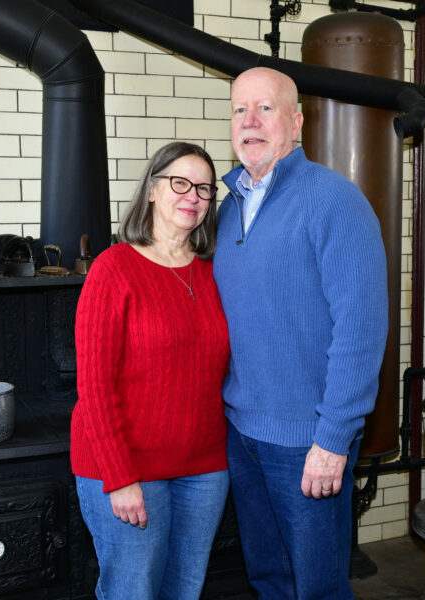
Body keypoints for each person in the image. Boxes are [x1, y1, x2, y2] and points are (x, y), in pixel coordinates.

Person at [213, 67, 388, 599]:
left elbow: (360, 330)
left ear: (297, 122)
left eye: (265, 108)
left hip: (306, 441)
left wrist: (334, 439)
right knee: (268, 578)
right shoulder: (227, 206)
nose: (251, 121)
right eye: (240, 110)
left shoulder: (334, 200)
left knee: (318, 588)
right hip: (242, 434)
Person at [71, 142, 230, 600]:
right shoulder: (113, 268)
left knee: (185, 590)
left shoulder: (212, 273)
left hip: (204, 469)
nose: (192, 196)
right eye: (179, 182)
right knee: (132, 591)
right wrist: (119, 477)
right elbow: (95, 388)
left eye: (203, 188)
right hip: (128, 467)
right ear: (153, 191)